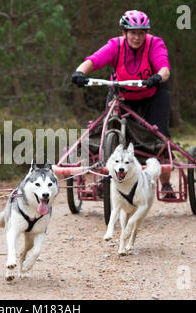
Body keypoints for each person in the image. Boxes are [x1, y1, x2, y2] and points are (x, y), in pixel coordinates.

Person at [71, 10, 175, 198]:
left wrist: (157, 77)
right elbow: (93, 60)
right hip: (122, 93)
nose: (137, 37)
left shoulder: (154, 44)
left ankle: (165, 182)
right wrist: (79, 72)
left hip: (153, 93)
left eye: (141, 32)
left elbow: (164, 69)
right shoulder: (115, 46)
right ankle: (105, 180)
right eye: (133, 32)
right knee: (107, 129)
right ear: (124, 32)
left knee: (159, 135)